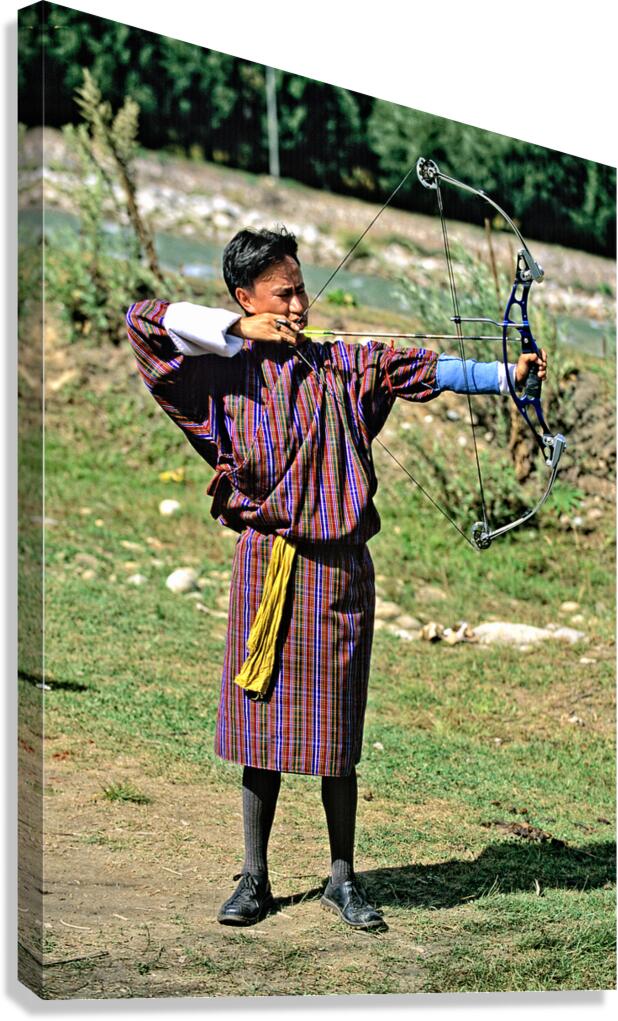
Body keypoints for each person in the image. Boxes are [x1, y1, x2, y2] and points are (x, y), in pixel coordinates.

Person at [126, 226, 546, 932]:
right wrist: (235, 329)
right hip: (267, 565)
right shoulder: (222, 372)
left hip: (339, 570)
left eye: (300, 290)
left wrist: (507, 375)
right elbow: (142, 321)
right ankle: (254, 878)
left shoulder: (344, 363)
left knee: (334, 736)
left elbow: (421, 367)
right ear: (245, 298)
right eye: (281, 294)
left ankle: (341, 879)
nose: (297, 304)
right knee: (262, 729)